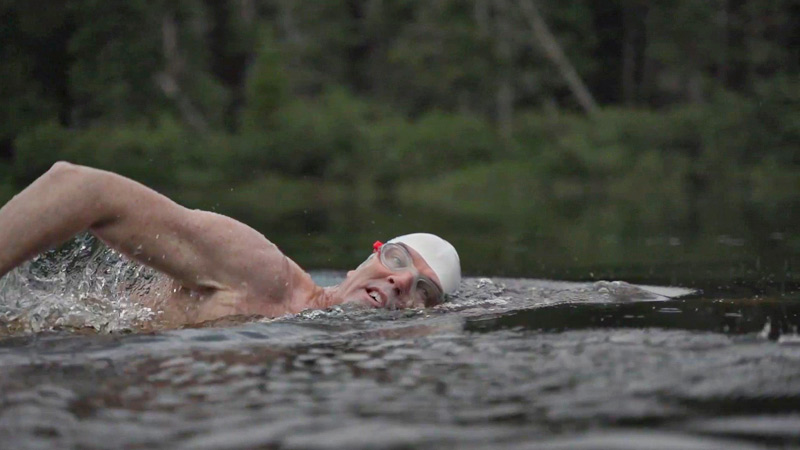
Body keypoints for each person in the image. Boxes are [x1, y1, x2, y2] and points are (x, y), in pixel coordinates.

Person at [0, 162, 461, 326]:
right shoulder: (262, 273)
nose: (402, 280)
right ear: (364, 262)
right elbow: (81, 189)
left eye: (425, 291)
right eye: (397, 260)